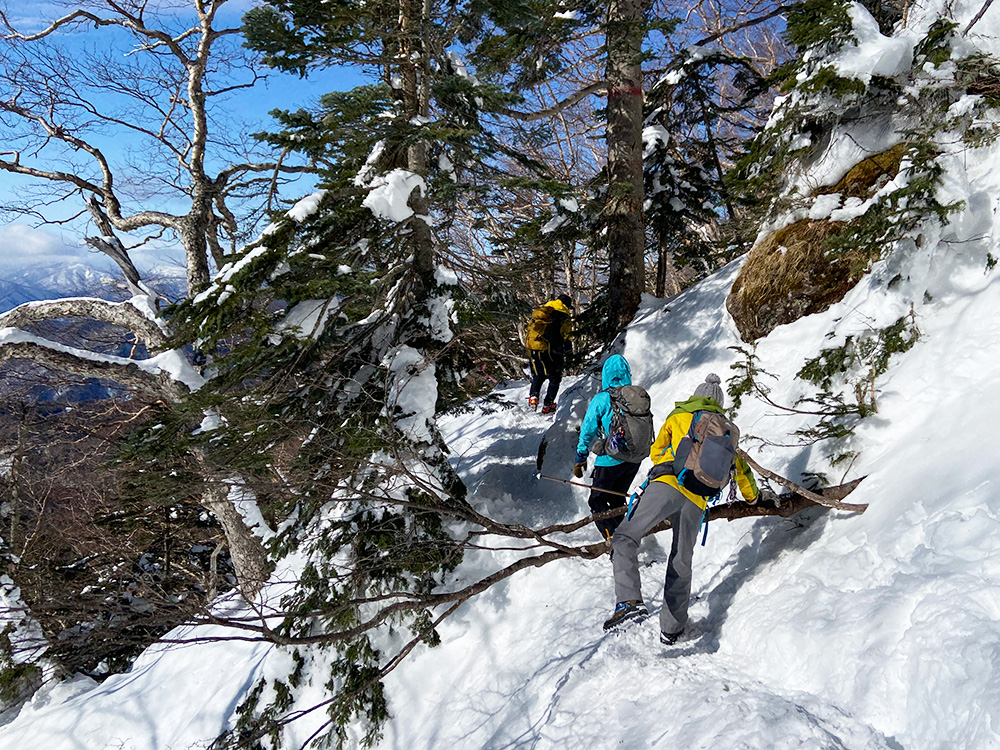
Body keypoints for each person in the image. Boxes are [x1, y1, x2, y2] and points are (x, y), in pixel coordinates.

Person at [602, 372, 770, 644]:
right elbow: (741, 472)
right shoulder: (726, 430)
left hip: (666, 485)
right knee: (681, 560)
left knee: (625, 536)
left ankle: (629, 601)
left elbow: (657, 452)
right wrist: (753, 499)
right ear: (719, 403)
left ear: (696, 394)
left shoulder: (679, 416)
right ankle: (671, 628)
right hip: (697, 500)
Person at [573, 354, 644, 540]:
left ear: (606, 374)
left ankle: (614, 542)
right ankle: (627, 539)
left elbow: (587, 429)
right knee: (616, 499)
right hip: (634, 459)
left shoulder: (603, 399)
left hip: (610, 460)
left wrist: (581, 455)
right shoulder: (636, 396)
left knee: (597, 501)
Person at [525, 294, 573, 413]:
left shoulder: (542, 312)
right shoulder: (563, 315)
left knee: (539, 374)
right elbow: (567, 335)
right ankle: (548, 405)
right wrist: (569, 351)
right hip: (553, 349)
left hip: (535, 347)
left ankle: (533, 397)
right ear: (566, 305)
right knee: (555, 377)